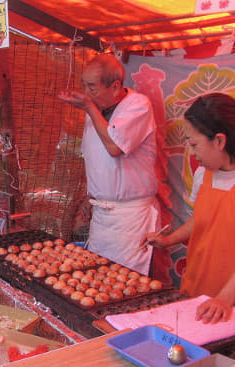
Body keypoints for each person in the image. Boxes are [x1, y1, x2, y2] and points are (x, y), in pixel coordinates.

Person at [145, 93, 235, 324]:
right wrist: (169, 240)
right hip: (196, 287)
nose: (191, 153)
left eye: (194, 144)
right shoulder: (205, 173)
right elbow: (201, 219)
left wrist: (224, 299)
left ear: (220, 141)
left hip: (233, 302)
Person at [59, 54, 160, 275]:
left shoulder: (138, 105)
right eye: (84, 86)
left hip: (129, 217)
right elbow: (97, 162)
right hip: (102, 216)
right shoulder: (94, 110)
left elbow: (114, 148)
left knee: (126, 281)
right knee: (97, 276)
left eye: (92, 88)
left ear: (115, 87)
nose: (87, 94)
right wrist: (88, 199)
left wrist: (88, 106)